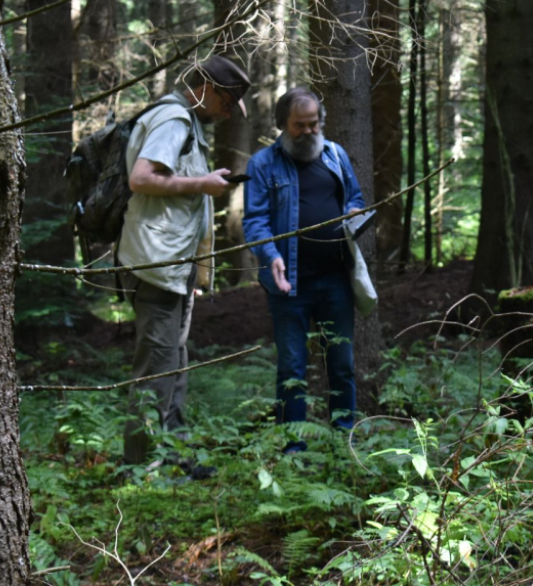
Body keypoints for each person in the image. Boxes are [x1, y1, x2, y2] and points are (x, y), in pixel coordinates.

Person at [117, 55, 250, 467]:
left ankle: (175, 456)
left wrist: (196, 268)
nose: (227, 113)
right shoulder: (173, 119)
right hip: (156, 263)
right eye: (227, 102)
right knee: (156, 368)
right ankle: (140, 466)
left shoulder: (187, 124)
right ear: (206, 88)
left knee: (174, 362)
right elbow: (140, 178)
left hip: (174, 265)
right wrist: (203, 183)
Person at [242, 87, 365, 453]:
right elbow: (255, 220)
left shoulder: (336, 154)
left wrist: (355, 215)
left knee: (341, 362)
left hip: (337, 279)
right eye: (300, 125)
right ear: (283, 125)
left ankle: (345, 440)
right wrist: (271, 256)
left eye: (314, 124)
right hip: (288, 283)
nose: (309, 131)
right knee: (292, 368)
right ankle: (294, 448)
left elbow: (355, 198)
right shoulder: (263, 164)